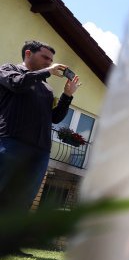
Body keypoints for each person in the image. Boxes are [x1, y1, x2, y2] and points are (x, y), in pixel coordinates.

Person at [1, 40, 81, 214]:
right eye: (45, 57)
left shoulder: (47, 89)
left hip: (40, 152)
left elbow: (55, 118)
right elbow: (17, 84)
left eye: (51, 60)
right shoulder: (9, 70)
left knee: (21, 202)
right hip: (10, 143)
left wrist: (67, 95)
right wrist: (46, 72)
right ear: (28, 53)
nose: (49, 63)